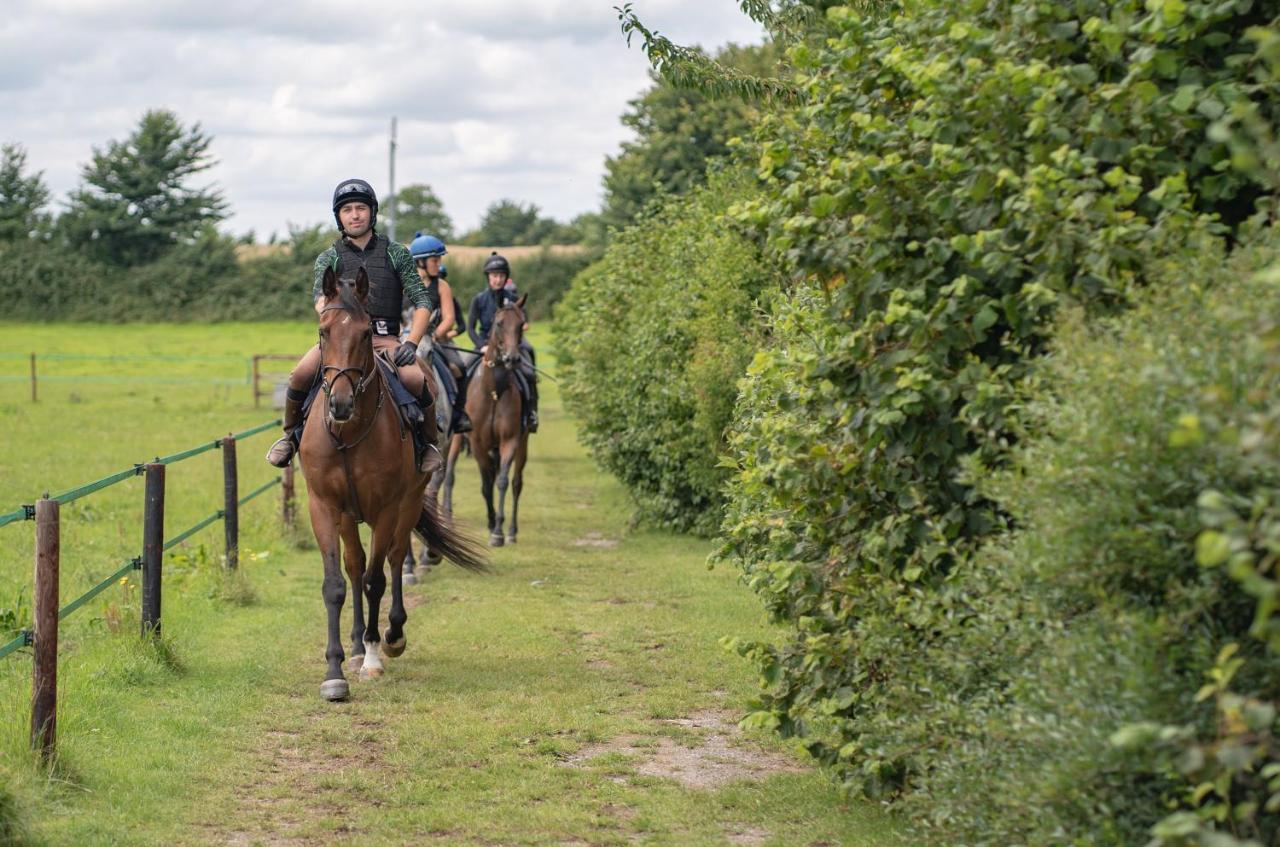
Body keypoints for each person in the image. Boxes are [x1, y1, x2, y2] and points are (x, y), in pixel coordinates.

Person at [265, 178, 442, 473]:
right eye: (347, 209)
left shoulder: (396, 253)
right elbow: (320, 298)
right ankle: (290, 437)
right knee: (300, 375)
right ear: (340, 217)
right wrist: (337, 317)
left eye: (361, 208)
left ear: (372, 212)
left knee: (414, 379)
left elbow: (423, 301)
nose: (355, 214)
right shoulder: (329, 257)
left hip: (385, 340)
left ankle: (428, 445)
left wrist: (411, 343)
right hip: (340, 341)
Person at [465, 251, 538, 432]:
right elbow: (471, 328)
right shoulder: (479, 300)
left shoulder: (514, 300)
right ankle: (461, 414)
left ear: (506, 278)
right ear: (488, 277)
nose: (498, 279)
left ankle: (531, 413)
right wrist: (481, 345)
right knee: (463, 372)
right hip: (483, 347)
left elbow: (522, 323)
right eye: (494, 276)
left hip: (511, 346)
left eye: (501, 276)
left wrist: (515, 342)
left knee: (529, 373)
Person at [407, 233, 470, 433]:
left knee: (460, 367)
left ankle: (459, 416)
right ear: (421, 262)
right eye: (435, 259)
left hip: (434, 339)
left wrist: (435, 335)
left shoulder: (442, 286)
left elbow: (450, 318)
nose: (438, 263)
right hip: (404, 339)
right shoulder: (403, 284)